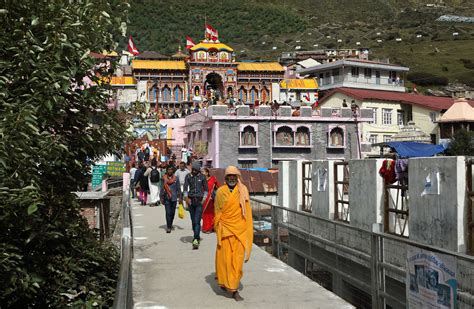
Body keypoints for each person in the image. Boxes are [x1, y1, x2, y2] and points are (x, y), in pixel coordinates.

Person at [214, 166, 253, 301]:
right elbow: (217, 212)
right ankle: (227, 283)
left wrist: (248, 230)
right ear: (225, 178)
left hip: (239, 232)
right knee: (225, 261)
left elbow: (247, 212)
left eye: (234, 176)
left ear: (237, 178)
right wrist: (218, 228)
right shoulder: (220, 192)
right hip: (225, 231)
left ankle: (234, 288)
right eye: (229, 176)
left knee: (237, 262)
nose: (231, 178)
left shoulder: (243, 191)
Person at [183, 161, 208, 249]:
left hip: (199, 202)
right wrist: (186, 198)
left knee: (197, 221)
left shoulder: (202, 177)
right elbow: (185, 188)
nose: (193, 171)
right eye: (193, 169)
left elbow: (206, 190)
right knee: (193, 221)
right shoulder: (188, 176)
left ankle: (196, 239)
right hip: (191, 201)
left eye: (195, 170)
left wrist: (204, 200)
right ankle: (196, 235)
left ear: (198, 170)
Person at [160, 165, 182, 233]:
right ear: (166, 171)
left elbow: (178, 188)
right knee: (168, 212)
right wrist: (161, 197)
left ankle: (170, 223)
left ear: (173, 171)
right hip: (166, 197)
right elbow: (161, 188)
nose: (170, 171)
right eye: (168, 169)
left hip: (174, 198)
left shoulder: (176, 178)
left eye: (171, 169)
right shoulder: (163, 178)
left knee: (172, 213)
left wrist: (180, 197)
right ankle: (168, 227)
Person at [202, 168, 220, 233]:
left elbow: (218, 187)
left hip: (211, 200)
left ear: (207, 173)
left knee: (211, 214)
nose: (202, 173)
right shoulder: (201, 180)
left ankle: (211, 227)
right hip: (204, 199)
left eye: (203, 172)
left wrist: (215, 195)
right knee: (205, 214)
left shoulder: (213, 179)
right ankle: (205, 227)